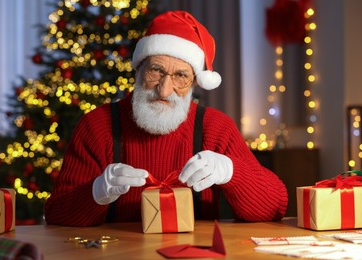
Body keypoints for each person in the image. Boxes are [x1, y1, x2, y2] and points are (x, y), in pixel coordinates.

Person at [44, 10, 288, 226]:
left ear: (194, 82)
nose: (164, 90)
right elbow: (57, 214)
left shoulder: (215, 128)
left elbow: (275, 207)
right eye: (156, 71)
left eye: (181, 76)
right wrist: (95, 192)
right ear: (138, 70)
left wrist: (232, 172)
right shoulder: (97, 126)